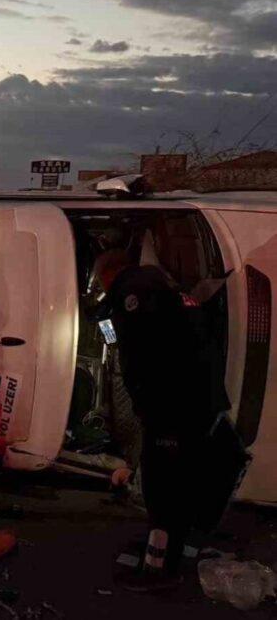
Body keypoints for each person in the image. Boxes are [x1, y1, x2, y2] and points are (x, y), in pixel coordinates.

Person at [92, 249, 228, 592]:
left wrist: (142, 401)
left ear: (109, 273)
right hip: (195, 402)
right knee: (174, 481)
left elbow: (141, 355)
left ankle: (161, 570)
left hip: (172, 406)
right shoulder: (166, 288)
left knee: (163, 486)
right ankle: (165, 551)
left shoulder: (133, 293)